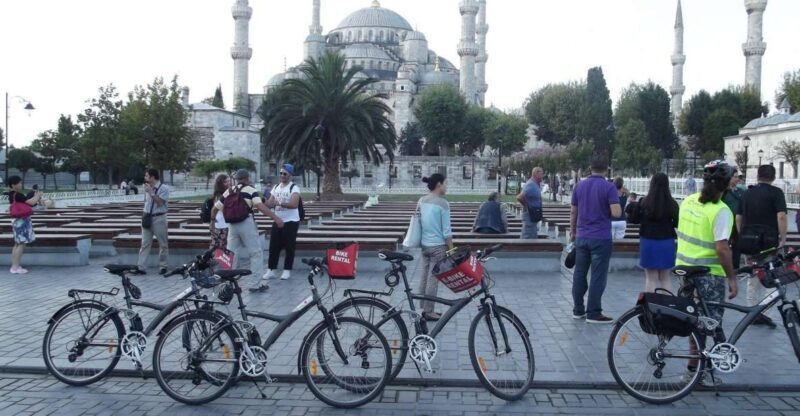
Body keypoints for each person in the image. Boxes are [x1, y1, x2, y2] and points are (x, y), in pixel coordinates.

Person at [676, 160, 738, 387]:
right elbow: (722, 248)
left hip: (684, 267)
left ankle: (694, 368)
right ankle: (697, 372)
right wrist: (732, 277)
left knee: (694, 320)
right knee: (708, 323)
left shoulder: (689, 200)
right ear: (727, 184)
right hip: (708, 273)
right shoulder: (721, 210)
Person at [213, 169, 283, 292]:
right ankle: (255, 284)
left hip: (232, 225)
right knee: (255, 253)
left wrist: (212, 221)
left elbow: (215, 208)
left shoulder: (229, 191)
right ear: (246, 178)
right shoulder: (250, 190)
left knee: (231, 254)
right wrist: (276, 218)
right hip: (246, 223)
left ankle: (229, 283)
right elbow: (260, 207)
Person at [570, 158, 621, 324]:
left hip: (582, 236)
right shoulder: (609, 187)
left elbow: (573, 211)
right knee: (598, 276)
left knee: (579, 273)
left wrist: (572, 232)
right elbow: (616, 213)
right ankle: (594, 312)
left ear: (590, 168)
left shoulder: (579, 186)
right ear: (606, 170)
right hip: (600, 237)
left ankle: (578, 309)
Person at [737, 165, 787, 327]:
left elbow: (738, 216)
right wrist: (783, 237)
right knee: (770, 276)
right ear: (773, 177)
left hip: (749, 239)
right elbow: (781, 217)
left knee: (753, 275)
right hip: (768, 240)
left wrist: (741, 234)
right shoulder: (776, 193)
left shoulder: (747, 193)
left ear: (758, 176)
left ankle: (752, 309)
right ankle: (765, 311)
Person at [633, 173, 679, 292]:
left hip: (648, 241)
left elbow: (635, 219)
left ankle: (652, 306)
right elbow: (678, 222)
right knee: (665, 277)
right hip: (666, 241)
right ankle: (666, 305)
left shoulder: (644, 202)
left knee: (651, 278)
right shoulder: (672, 203)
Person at [417, 173, 453, 321]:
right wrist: (451, 249)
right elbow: (447, 231)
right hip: (438, 246)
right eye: (445, 183)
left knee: (424, 277)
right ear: (439, 184)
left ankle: (423, 308)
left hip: (424, 245)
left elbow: (418, 221)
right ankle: (429, 311)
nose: (446, 186)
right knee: (433, 279)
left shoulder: (421, 200)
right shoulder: (442, 203)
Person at [265, 164, 302, 281]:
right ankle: (271, 269)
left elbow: (294, 204)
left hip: (291, 221)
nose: (282, 176)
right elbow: (270, 203)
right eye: (281, 173)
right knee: (273, 246)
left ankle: (287, 270)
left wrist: (279, 203)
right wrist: (264, 202)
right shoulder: (276, 187)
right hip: (278, 220)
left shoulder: (294, 188)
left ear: (290, 175)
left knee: (289, 246)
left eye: (285, 174)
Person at [136, 169, 170, 275]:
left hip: (159, 218)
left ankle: (163, 266)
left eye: (146, 176)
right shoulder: (147, 188)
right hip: (147, 217)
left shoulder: (164, 188)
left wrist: (151, 192)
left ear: (152, 177)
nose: (145, 178)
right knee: (145, 244)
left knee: (163, 244)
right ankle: (140, 267)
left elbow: (160, 202)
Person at [6, 176, 42, 274]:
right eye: (19, 183)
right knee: (21, 244)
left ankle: (14, 266)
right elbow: (32, 203)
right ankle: (15, 267)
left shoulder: (11, 194)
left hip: (16, 221)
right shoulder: (18, 195)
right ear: (13, 185)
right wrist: (38, 196)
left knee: (17, 243)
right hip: (22, 221)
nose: (21, 185)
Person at [517, 167, 544, 239]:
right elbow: (519, 197)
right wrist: (526, 206)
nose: (543, 176)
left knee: (532, 238)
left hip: (533, 216)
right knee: (527, 238)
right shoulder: (531, 184)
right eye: (542, 173)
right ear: (536, 174)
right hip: (529, 216)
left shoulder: (535, 184)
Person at [209, 174, 230, 250]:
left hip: (222, 224)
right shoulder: (220, 195)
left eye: (228, 181)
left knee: (221, 248)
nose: (228, 183)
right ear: (220, 184)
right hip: (221, 225)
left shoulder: (224, 194)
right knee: (220, 249)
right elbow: (223, 209)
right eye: (225, 182)